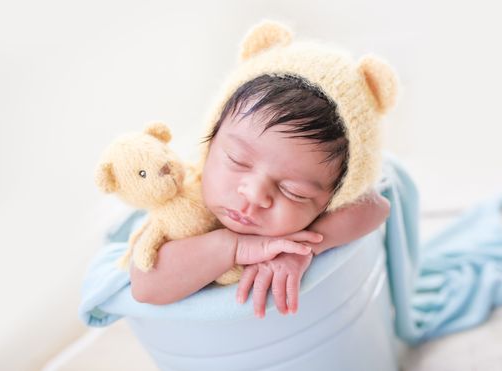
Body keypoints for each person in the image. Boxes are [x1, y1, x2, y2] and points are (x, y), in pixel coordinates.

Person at [130, 20, 399, 319]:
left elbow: (376, 207)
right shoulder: (184, 203)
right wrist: (232, 247)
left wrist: (300, 250)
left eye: (292, 191)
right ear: (210, 145)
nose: (255, 194)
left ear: (332, 198)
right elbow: (145, 285)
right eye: (237, 160)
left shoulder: (319, 214)